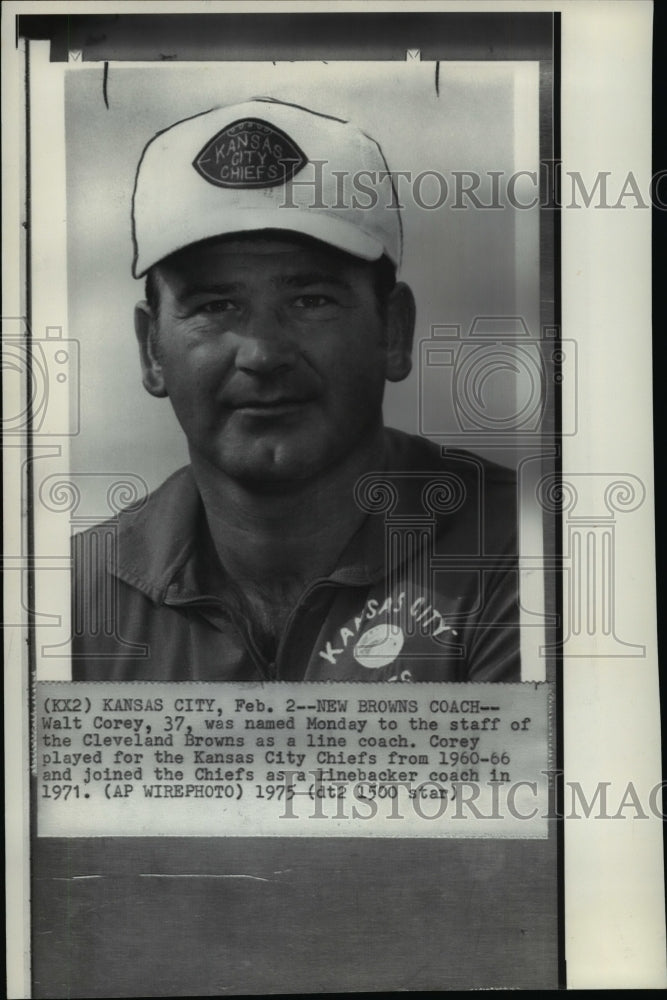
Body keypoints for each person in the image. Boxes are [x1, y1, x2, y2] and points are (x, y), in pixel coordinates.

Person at [72, 97, 519, 683]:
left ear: (394, 332)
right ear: (152, 350)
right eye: (215, 305)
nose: (262, 354)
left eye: (311, 301)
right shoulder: (70, 597)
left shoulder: (523, 553)